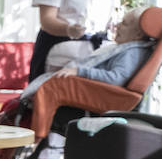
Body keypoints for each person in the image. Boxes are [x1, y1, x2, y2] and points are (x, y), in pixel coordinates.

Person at [21, 7, 156, 138]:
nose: (118, 26)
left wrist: (79, 71)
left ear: (138, 34)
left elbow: (116, 78)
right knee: (55, 83)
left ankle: (36, 137)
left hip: (110, 96)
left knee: (54, 87)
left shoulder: (132, 52)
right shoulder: (134, 49)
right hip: (104, 92)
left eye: (125, 24)